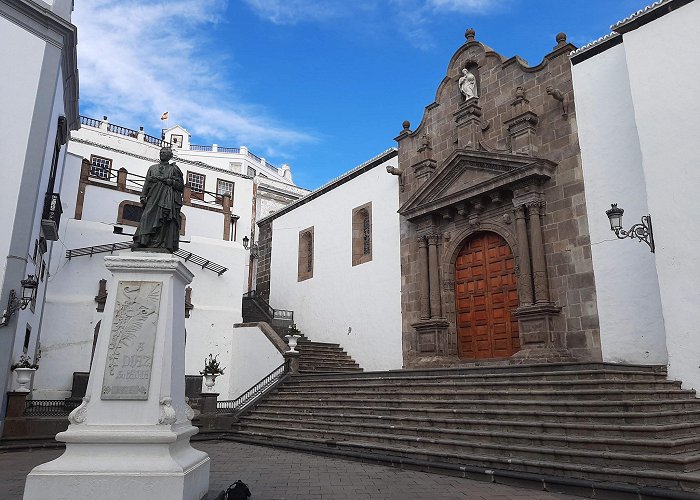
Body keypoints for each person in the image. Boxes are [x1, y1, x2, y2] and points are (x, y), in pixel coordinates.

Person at [132, 146, 184, 252]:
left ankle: (161, 243)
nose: (162, 154)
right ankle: (142, 241)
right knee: (146, 217)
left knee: (164, 220)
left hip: (166, 198)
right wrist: (143, 196)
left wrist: (170, 182)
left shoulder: (174, 169)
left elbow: (181, 186)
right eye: (161, 152)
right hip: (153, 196)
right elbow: (147, 183)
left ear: (170, 156)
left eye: (165, 153)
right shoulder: (152, 168)